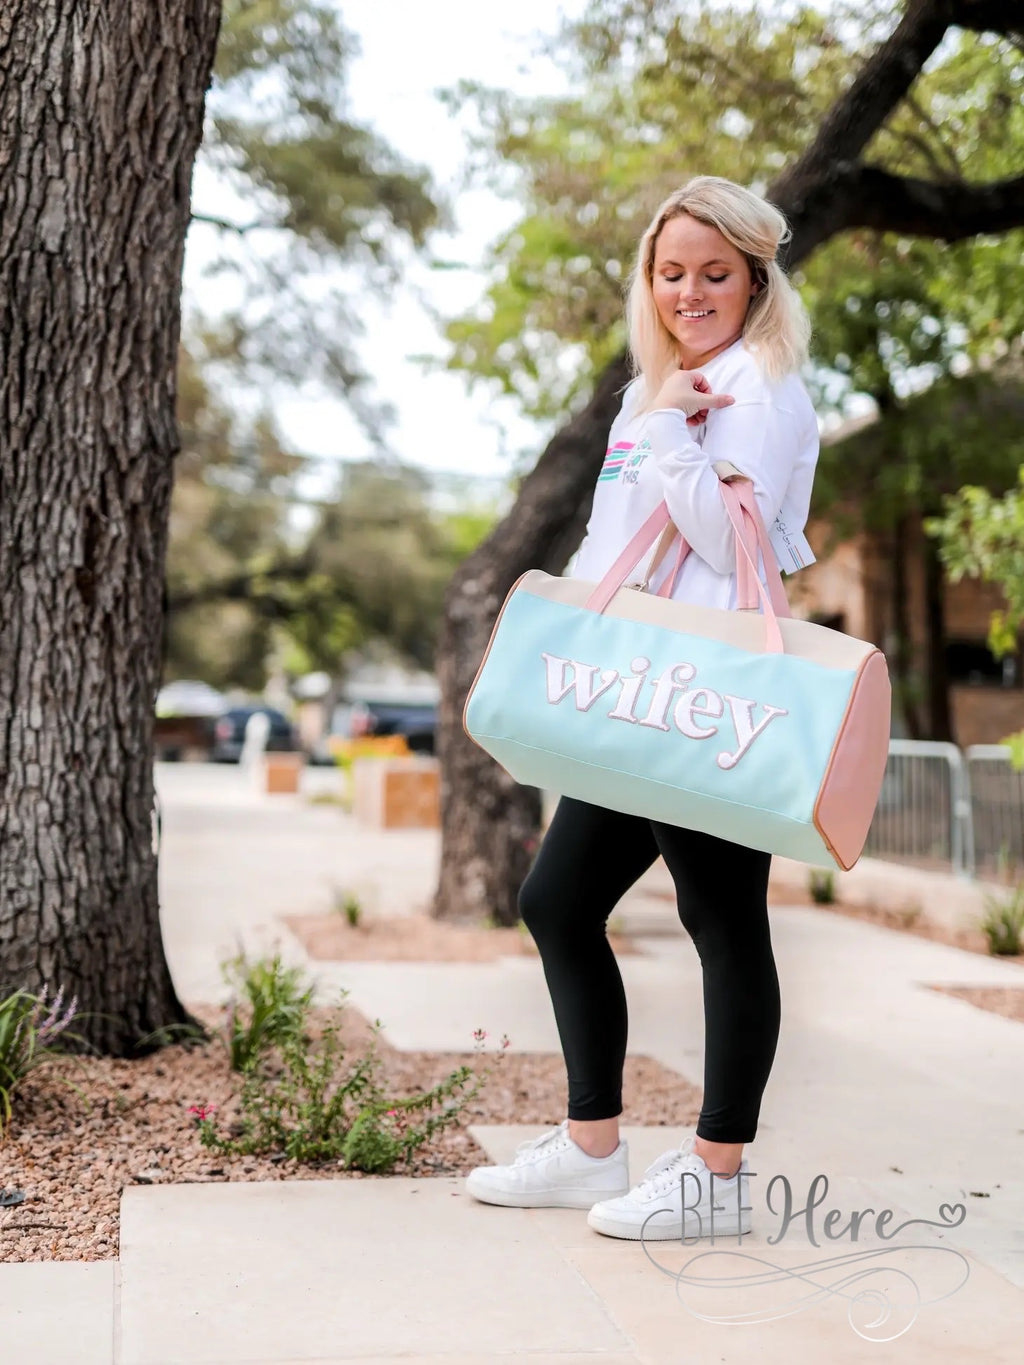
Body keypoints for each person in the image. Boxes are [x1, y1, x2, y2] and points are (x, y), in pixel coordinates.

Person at [464, 175, 820, 1240]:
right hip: (636, 690)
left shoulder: (761, 388)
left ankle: (715, 1175)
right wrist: (579, 631)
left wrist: (670, 431)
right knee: (558, 902)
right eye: (672, 273)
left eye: (715, 273)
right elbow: (615, 537)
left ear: (755, 277)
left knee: (721, 919)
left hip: (709, 697)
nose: (690, 291)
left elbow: (726, 542)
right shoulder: (656, 387)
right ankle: (589, 1148)